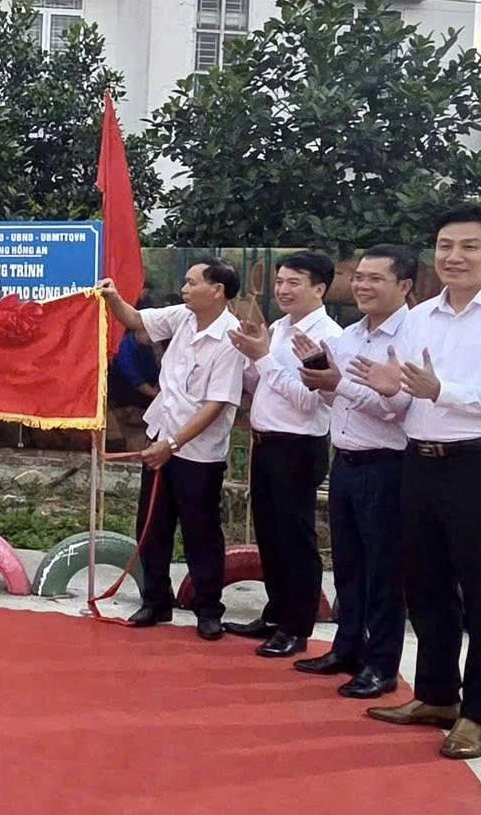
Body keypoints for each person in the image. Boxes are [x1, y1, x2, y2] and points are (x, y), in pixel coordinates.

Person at [351, 205, 481, 760]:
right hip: (421, 462)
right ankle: (437, 696)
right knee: (425, 585)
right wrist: (392, 387)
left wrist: (443, 391)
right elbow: (412, 394)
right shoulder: (420, 317)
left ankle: (479, 715)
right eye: (444, 246)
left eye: (468, 246)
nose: (453, 257)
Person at [99, 259, 248, 640]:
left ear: (217, 290)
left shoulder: (230, 338)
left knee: (201, 532)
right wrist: (112, 298)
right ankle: (155, 600)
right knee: (152, 526)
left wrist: (173, 444)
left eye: (192, 282)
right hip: (162, 437)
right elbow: (135, 319)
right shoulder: (182, 316)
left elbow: (217, 405)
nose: (184, 289)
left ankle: (208, 609)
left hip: (198, 453)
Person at [291, 245, 416, 697]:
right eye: (359, 277)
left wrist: (338, 383)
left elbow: (395, 409)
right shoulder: (349, 335)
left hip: (387, 465)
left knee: (384, 571)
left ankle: (381, 664)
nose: (362, 285)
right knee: (348, 564)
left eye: (375, 278)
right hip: (345, 460)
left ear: (404, 285)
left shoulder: (411, 336)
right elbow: (336, 399)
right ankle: (346, 648)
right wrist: (319, 377)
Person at [225, 251, 342, 659]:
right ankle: (276, 613)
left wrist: (263, 358)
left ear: (319, 288)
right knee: (270, 535)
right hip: (266, 441)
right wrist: (249, 355)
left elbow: (309, 400)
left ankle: (297, 626)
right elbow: (261, 383)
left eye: (294, 282)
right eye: (280, 282)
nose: (283, 290)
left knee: (295, 538)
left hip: (298, 445)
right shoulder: (278, 328)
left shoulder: (328, 336)